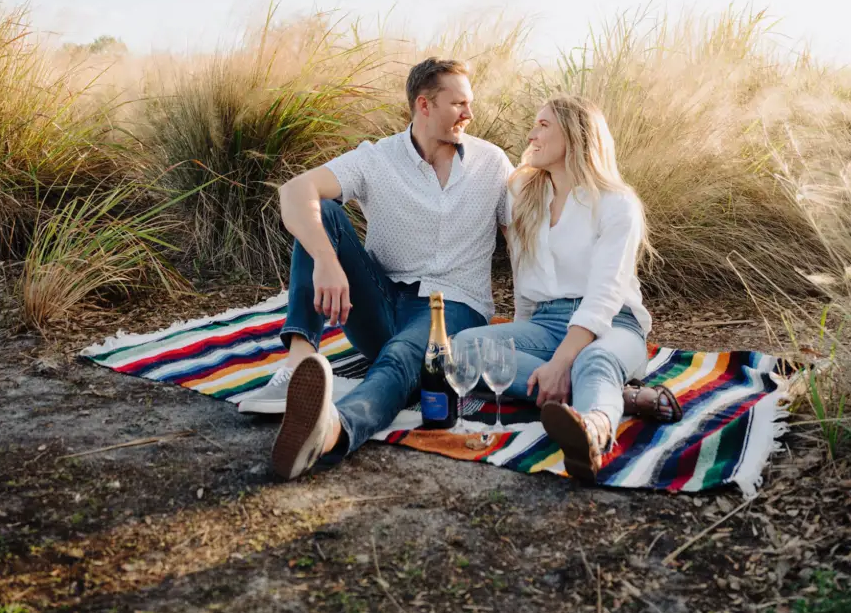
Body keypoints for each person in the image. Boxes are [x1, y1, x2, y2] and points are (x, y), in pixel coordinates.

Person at [241, 58, 514, 480]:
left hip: (453, 306)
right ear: (424, 105)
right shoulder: (378, 158)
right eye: (458, 104)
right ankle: (298, 364)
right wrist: (328, 263)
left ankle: (331, 429)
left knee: (403, 356)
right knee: (323, 212)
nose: (469, 114)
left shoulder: (492, 164)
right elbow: (295, 192)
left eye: (469, 103)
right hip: (379, 301)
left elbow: (524, 235)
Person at [459, 94, 667, 482]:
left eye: (543, 125)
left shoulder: (617, 203)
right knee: (464, 349)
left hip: (614, 325)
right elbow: (524, 279)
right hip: (548, 323)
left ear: (575, 134)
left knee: (594, 361)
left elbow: (605, 295)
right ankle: (609, 395)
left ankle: (593, 431)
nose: (531, 134)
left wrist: (561, 362)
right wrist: (521, 334)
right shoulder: (524, 196)